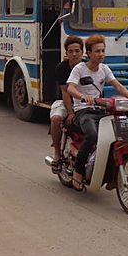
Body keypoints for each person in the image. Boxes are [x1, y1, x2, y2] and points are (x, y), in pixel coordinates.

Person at [66, 34, 128, 192]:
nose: (101, 54)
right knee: (92, 136)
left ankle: (111, 174)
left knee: (121, 135)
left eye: (103, 51)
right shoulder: (80, 69)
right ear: (89, 53)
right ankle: (78, 172)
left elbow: (117, 85)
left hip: (100, 110)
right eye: (97, 51)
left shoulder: (104, 69)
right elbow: (70, 88)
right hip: (83, 112)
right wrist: (83, 97)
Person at [48, 35, 84, 171]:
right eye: (71, 51)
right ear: (66, 53)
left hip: (84, 102)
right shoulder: (61, 68)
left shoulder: (89, 66)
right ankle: (57, 154)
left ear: (82, 52)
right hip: (65, 101)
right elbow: (65, 92)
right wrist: (70, 112)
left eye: (77, 51)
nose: (74, 54)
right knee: (56, 118)